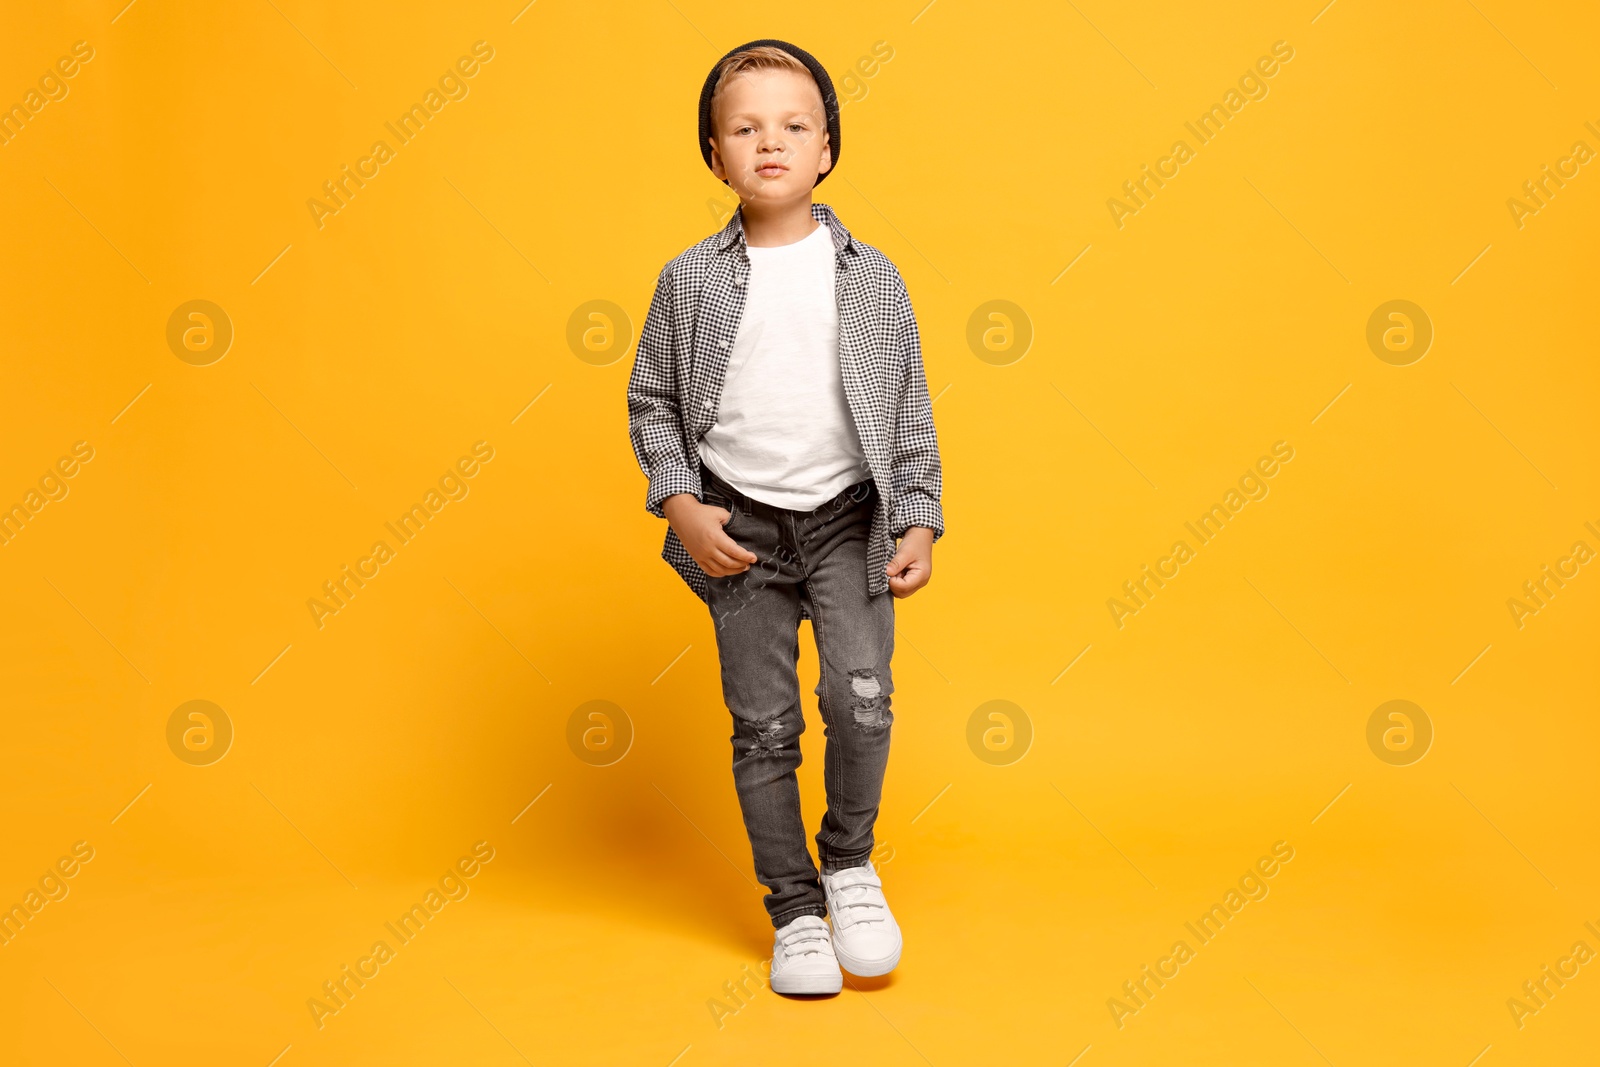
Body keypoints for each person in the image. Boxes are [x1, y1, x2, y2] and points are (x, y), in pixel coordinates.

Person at [625, 38, 944, 995]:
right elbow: (653, 401)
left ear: (827, 150)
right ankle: (795, 908)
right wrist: (681, 504)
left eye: (795, 126)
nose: (772, 142)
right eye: (746, 128)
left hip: (849, 520)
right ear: (714, 155)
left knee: (861, 698)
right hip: (739, 530)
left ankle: (848, 862)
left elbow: (910, 406)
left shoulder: (872, 277)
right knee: (762, 726)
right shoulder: (690, 280)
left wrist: (918, 517)